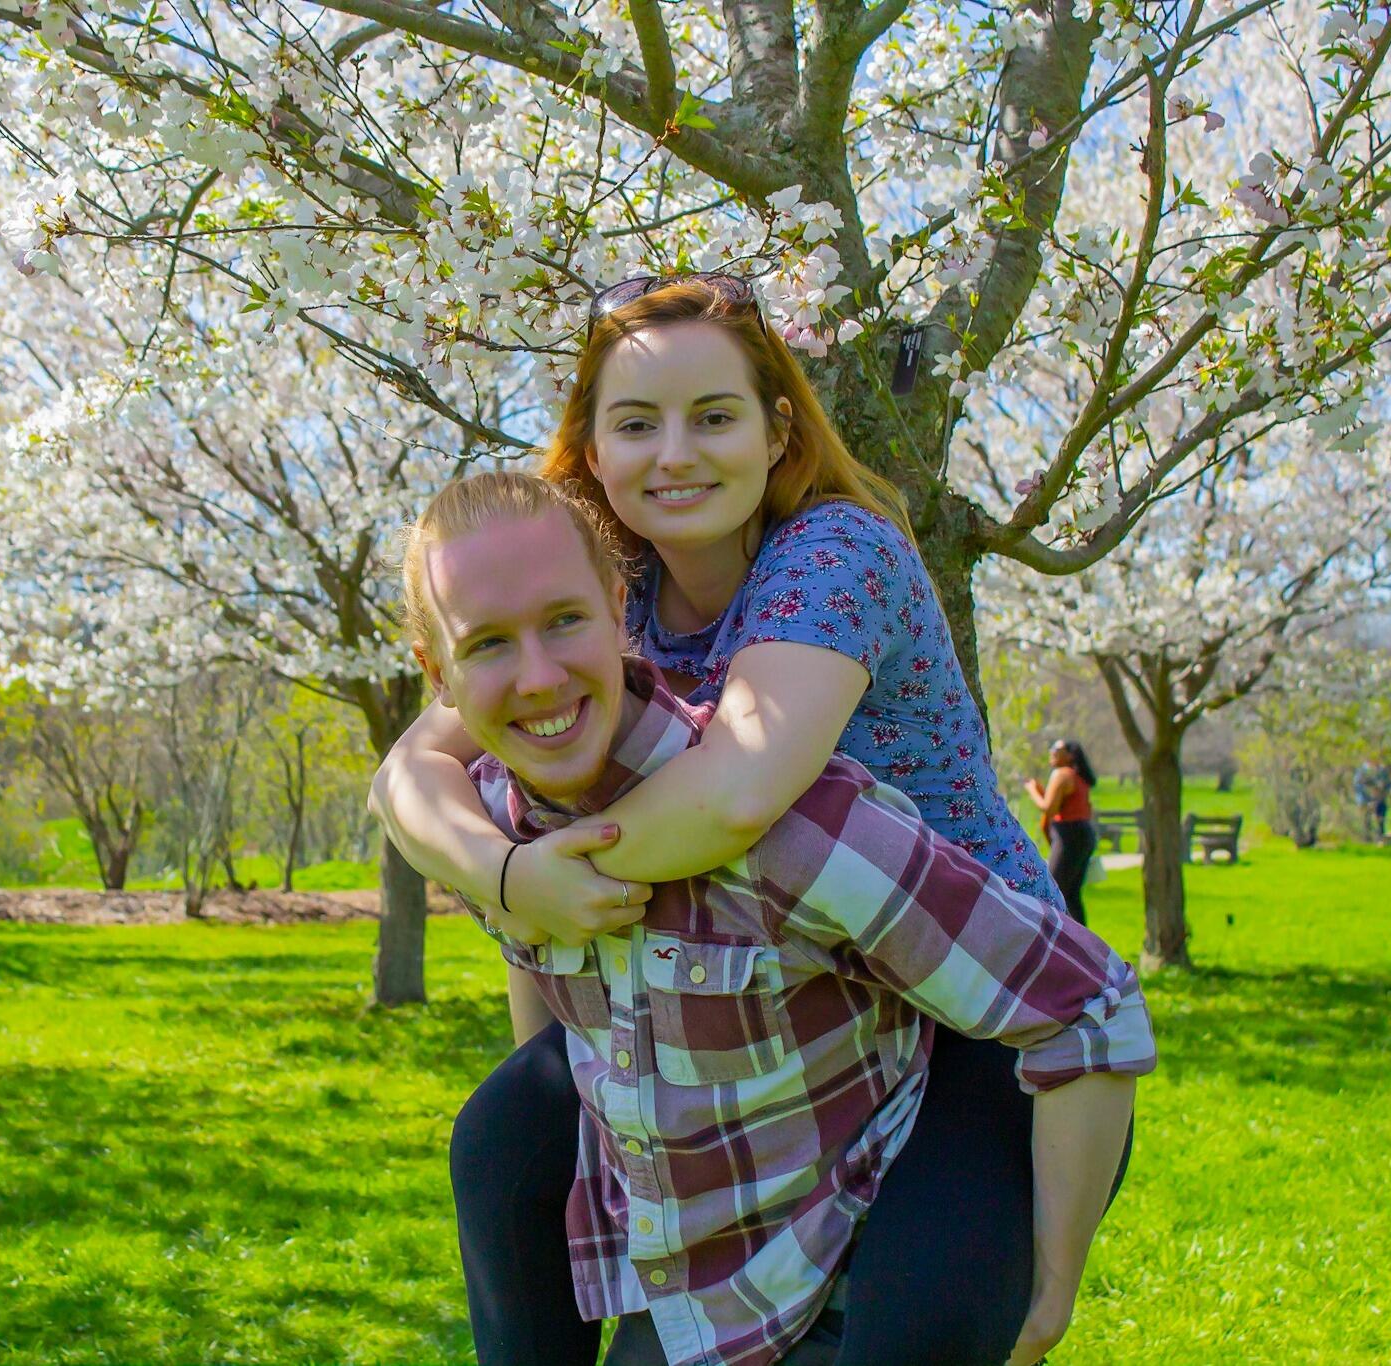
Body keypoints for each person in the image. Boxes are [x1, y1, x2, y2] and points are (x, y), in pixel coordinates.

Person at [372, 276, 1082, 1366]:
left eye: (713, 416)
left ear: (774, 429)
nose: (674, 454)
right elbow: (412, 768)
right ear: (591, 450)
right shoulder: (590, 598)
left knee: (914, 1321)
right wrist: (516, 886)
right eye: (635, 423)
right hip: (760, 1006)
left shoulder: (832, 555)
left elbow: (733, 794)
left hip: (969, 1004)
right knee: (506, 1141)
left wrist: (541, 873)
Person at [1024, 740, 1099, 925]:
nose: (1051, 751)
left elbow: (1048, 808)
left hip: (1069, 834)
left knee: (1052, 891)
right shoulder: (1078, 777)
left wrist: (1032, 790)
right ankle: (1084, 946)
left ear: (1070, 755)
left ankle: (1054, 940)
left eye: (1056, 749)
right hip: (1083, 834)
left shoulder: (1062, 774)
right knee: (1072, 895)